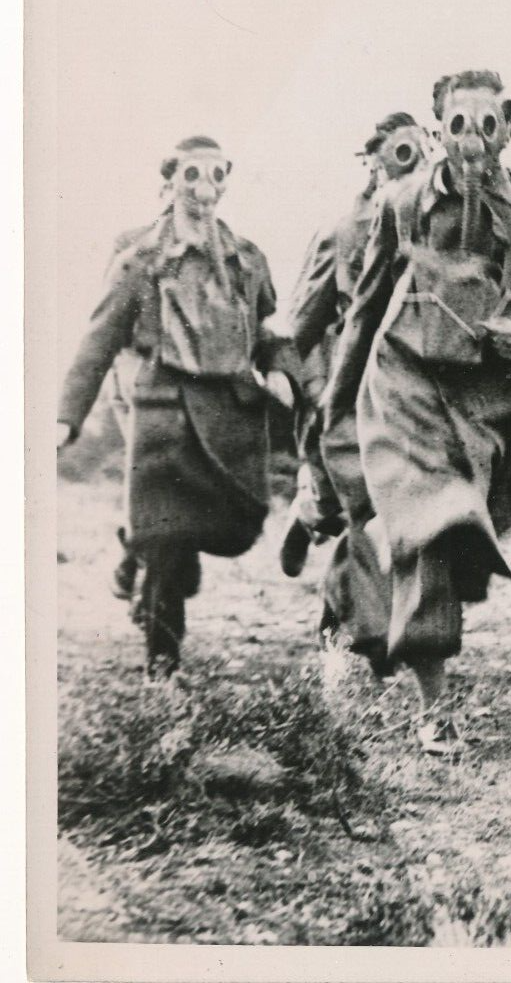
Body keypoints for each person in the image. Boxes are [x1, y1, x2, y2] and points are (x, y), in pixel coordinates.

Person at [325, 71, 511, 756]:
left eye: (488, 121)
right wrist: (335, 414)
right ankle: (434, 709)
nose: (473, 138)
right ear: (438, 131)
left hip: (498, 403)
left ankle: (416, 569)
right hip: (407, 385)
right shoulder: (402, 201)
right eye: (457, 124)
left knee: (471, 541)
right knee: (434, 533)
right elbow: (365, 311)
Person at [57, 137, 297, 673]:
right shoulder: (140, 261)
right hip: (163, 409)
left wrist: (281, 369)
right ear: (170, 182)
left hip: (229, 413)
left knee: (237, 527)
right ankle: (162, 669)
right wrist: (65, 418)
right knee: (167, 537)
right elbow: (99, 340)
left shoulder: (245, 258)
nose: (204, 189)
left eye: (216, 176)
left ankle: (134, 550)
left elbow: (266, 329)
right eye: (192, 175)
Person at [288, 113, 429, 670]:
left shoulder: (439, 222)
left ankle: (336, 598)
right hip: (354, 391)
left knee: (400, 516)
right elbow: (302, 324)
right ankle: (369, 635)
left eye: (416, 152)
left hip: (415, 393)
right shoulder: (343, 233)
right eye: (393, 154)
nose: (406, 164)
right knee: (363, 509)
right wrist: (313, 389)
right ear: (370, 163)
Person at [102, 182, 174, 603]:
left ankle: (139, 561)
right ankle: (133, 557)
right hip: (134, 381)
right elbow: (110, 319)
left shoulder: (214, 248)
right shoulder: (130, 244)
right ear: (162, 189)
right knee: (148, 478)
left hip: (184, 387)